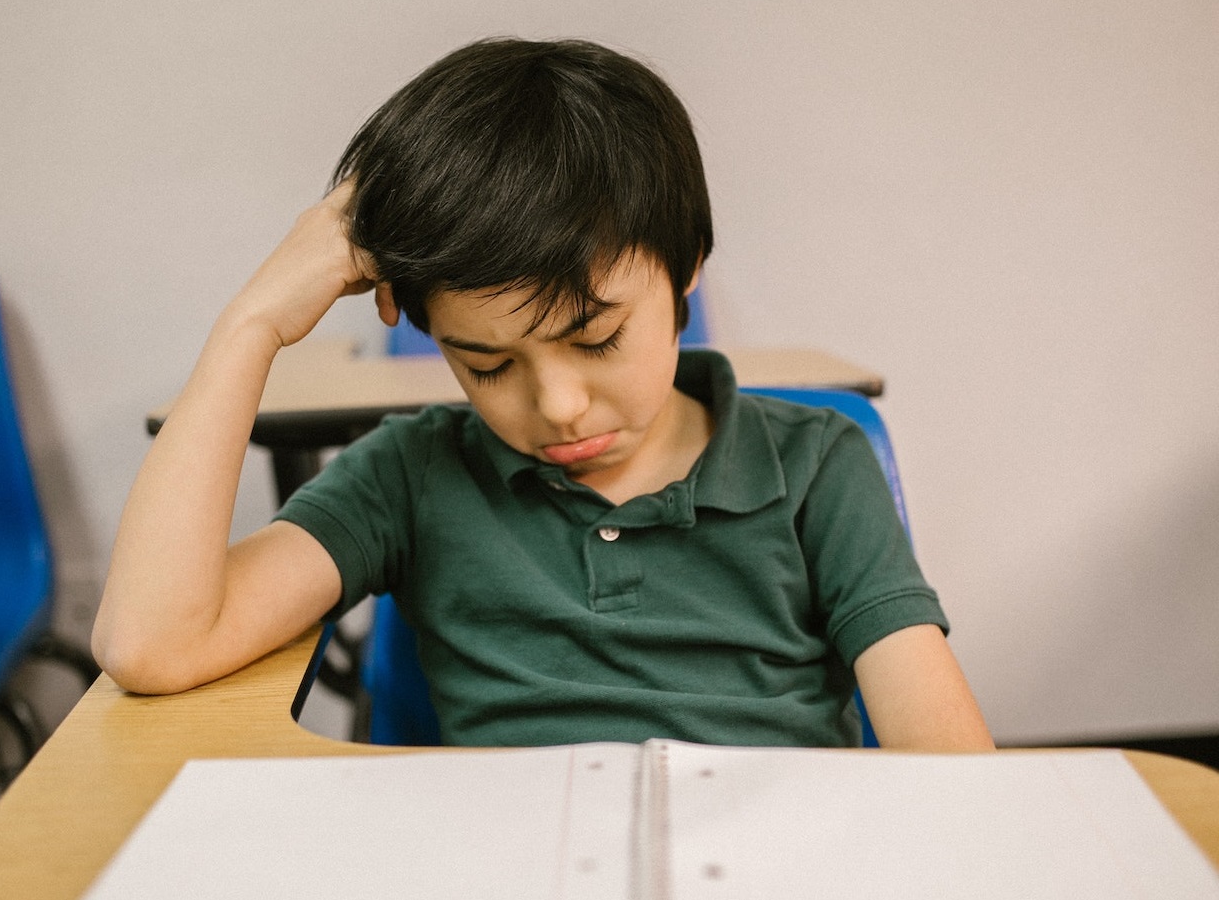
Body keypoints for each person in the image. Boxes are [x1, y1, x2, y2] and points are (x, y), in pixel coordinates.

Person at [92, 38, 993, 751]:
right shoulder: (408, 475)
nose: (557, 405)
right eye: (485, 365)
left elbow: (944, 764)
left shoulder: (815, 467)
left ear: (685, 275)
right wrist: (253, 322)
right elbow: (151, 643)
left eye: (597, 338)